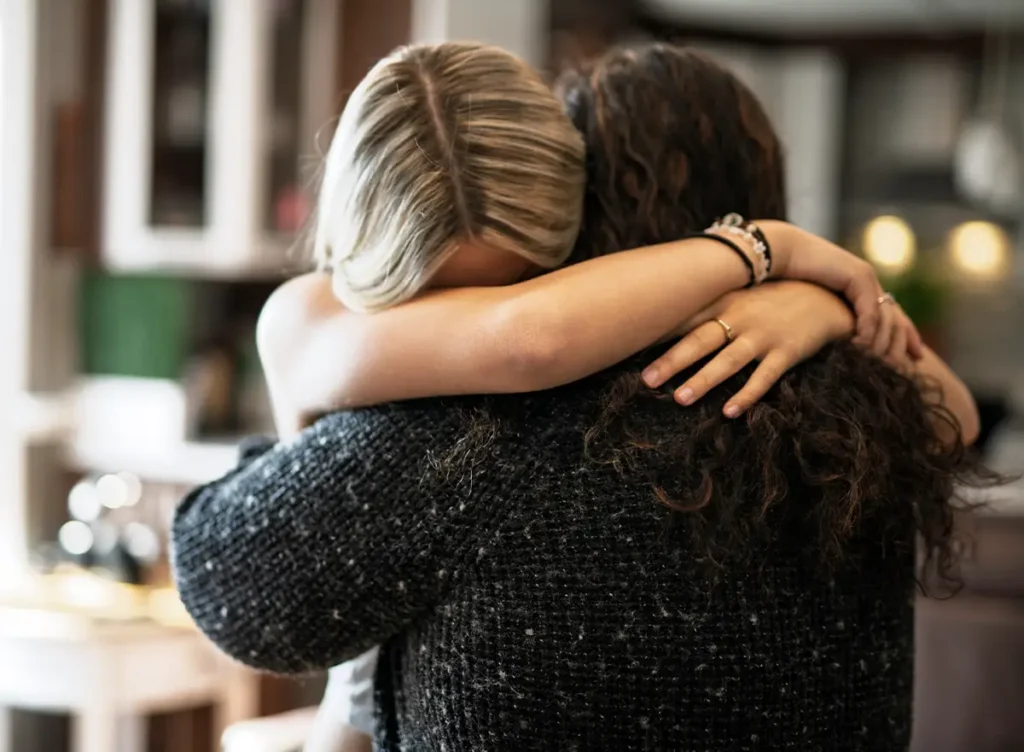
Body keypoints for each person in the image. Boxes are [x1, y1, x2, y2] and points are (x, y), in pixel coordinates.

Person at [173, 42, 985, 750]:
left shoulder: (484, 429)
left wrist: (796, 284)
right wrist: (800, 281)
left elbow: (235, 589)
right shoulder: (861, 427)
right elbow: (957, 418)